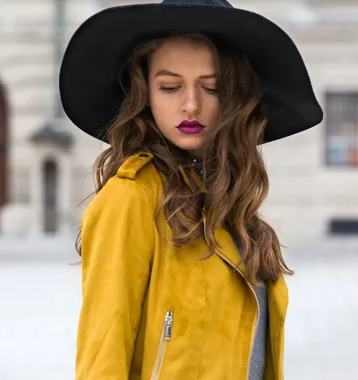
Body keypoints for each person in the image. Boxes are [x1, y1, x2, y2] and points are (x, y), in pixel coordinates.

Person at [58, 0, 323, 379]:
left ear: (236, 97)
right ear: (144, 94)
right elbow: (103, 355)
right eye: (170, 86)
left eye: (211, 88)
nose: (190, 105)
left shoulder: (231, 204)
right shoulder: (131, 198)